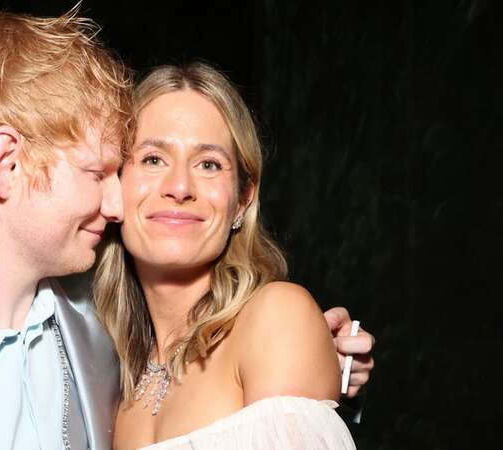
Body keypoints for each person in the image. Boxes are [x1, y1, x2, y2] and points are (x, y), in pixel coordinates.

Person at [0, 9, 373, 450]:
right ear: (6, 164)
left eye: (210, 163)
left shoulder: (94, 335)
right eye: (110, 169)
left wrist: (317, 365)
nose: (118, 201)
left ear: (244, 196)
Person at [95, 63, 370, 450]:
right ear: (113, 182)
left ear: (243, 199)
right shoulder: (103, 370)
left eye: (208, 164)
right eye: (153, 159)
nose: (179, 187)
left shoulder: (276, 318)